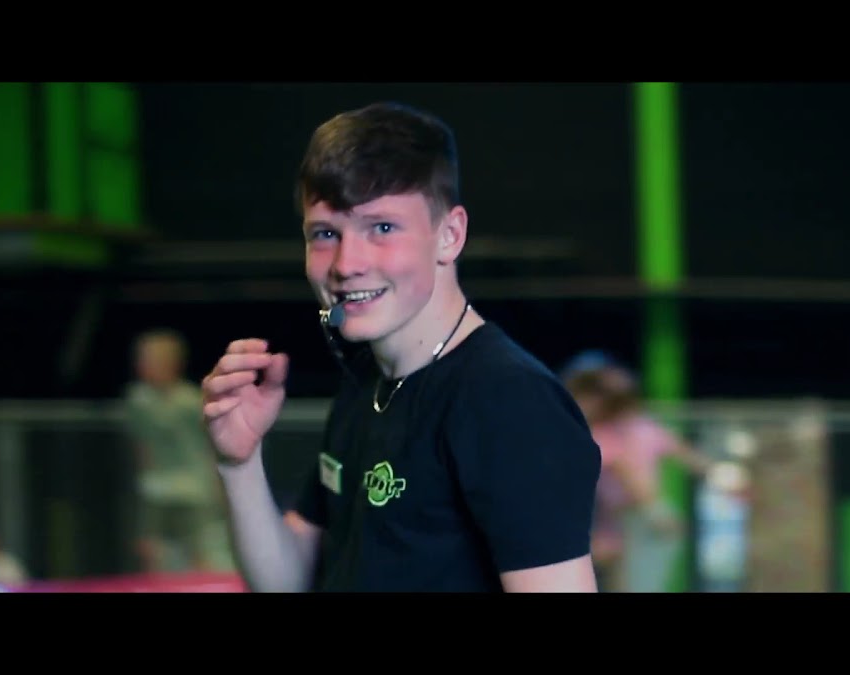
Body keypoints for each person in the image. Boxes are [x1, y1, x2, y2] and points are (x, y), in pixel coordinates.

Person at [200, 102, 602, 592]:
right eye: (325, 234)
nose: (346, 264)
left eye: (382, 228)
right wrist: (238, 464)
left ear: (450, 236)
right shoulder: (366, 382)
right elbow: (289, 582)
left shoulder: (508, 400)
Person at [564, 360, 719, 592]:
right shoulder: (608, 431)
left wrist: (654, 509)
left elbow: (681, 459)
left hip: (639, 517)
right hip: (621, 519)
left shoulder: (638, 428)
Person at [124, 329, 233, 574]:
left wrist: (218, 487)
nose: (144, 366)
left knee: (202, 552)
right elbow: (141, 446)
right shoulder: (137, 400)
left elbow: (210, 446)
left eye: (152, 360)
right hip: (156, 489)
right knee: (153, 552)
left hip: (193, 489)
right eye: (142, 359)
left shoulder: (190, 400)